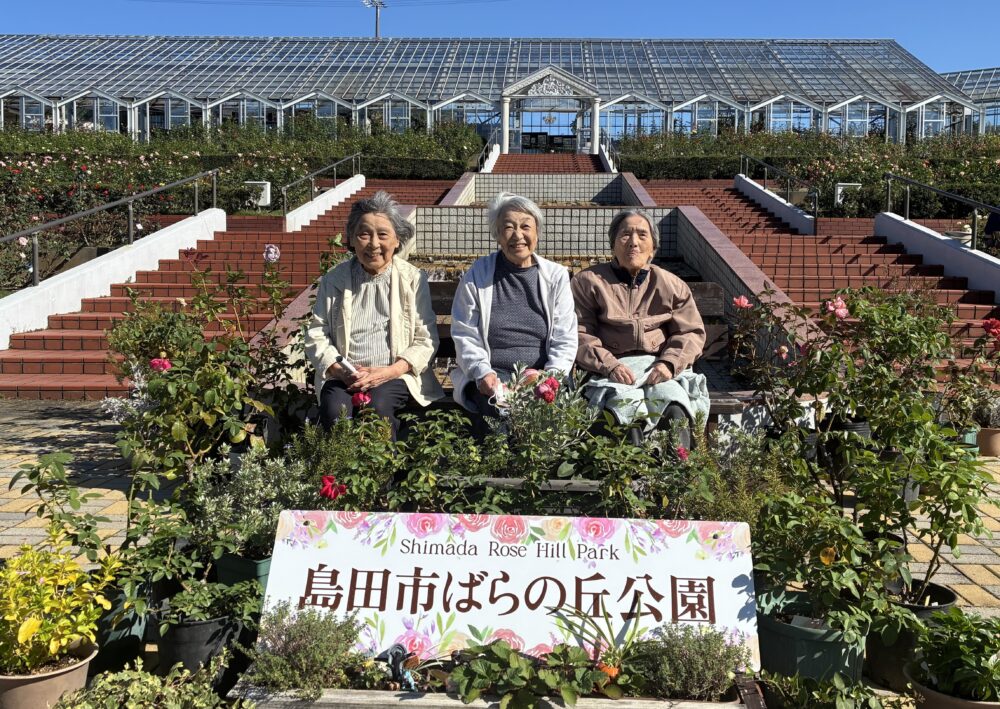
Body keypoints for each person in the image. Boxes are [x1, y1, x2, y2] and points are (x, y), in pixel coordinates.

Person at [304, 191, 443, 438]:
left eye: (383, 234)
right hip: (345, 376)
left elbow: (426, 339)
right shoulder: (334, 279)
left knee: (377, 407)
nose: (374, 244)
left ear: (397, 240)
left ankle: (383, 476)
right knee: (335, 409)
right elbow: (317, 332)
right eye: (364, 234)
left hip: (396, 375)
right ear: (352, 240)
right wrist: (339, 369)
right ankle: (338, 476)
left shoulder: (412, 279)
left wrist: (389, 371)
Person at [571, 208, 708, 447]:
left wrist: (669, 363)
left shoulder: (671, 284)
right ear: (613, 244)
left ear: (653, 248)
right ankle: (630, 481)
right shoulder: (588, 282)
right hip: (610, 370)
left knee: (675, 409)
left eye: (642, 235)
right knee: (625, 414)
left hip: (659, 368)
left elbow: (690, 332)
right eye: (625, 234)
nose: (633, 242)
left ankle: (680, 479)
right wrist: (609, 364)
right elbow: (579, 332)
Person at [450, 192, 577, 428]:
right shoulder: (477, 274)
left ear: (537, 233)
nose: (518, 235)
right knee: (497, 415)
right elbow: (465, 333)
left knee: (546, 418)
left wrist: (549, 377)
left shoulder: (556, 276)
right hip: (494, 374)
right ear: (497, 235)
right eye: (508, 227)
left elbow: (565, 337)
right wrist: (482, 373)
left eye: (525, 227)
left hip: (541, 374)